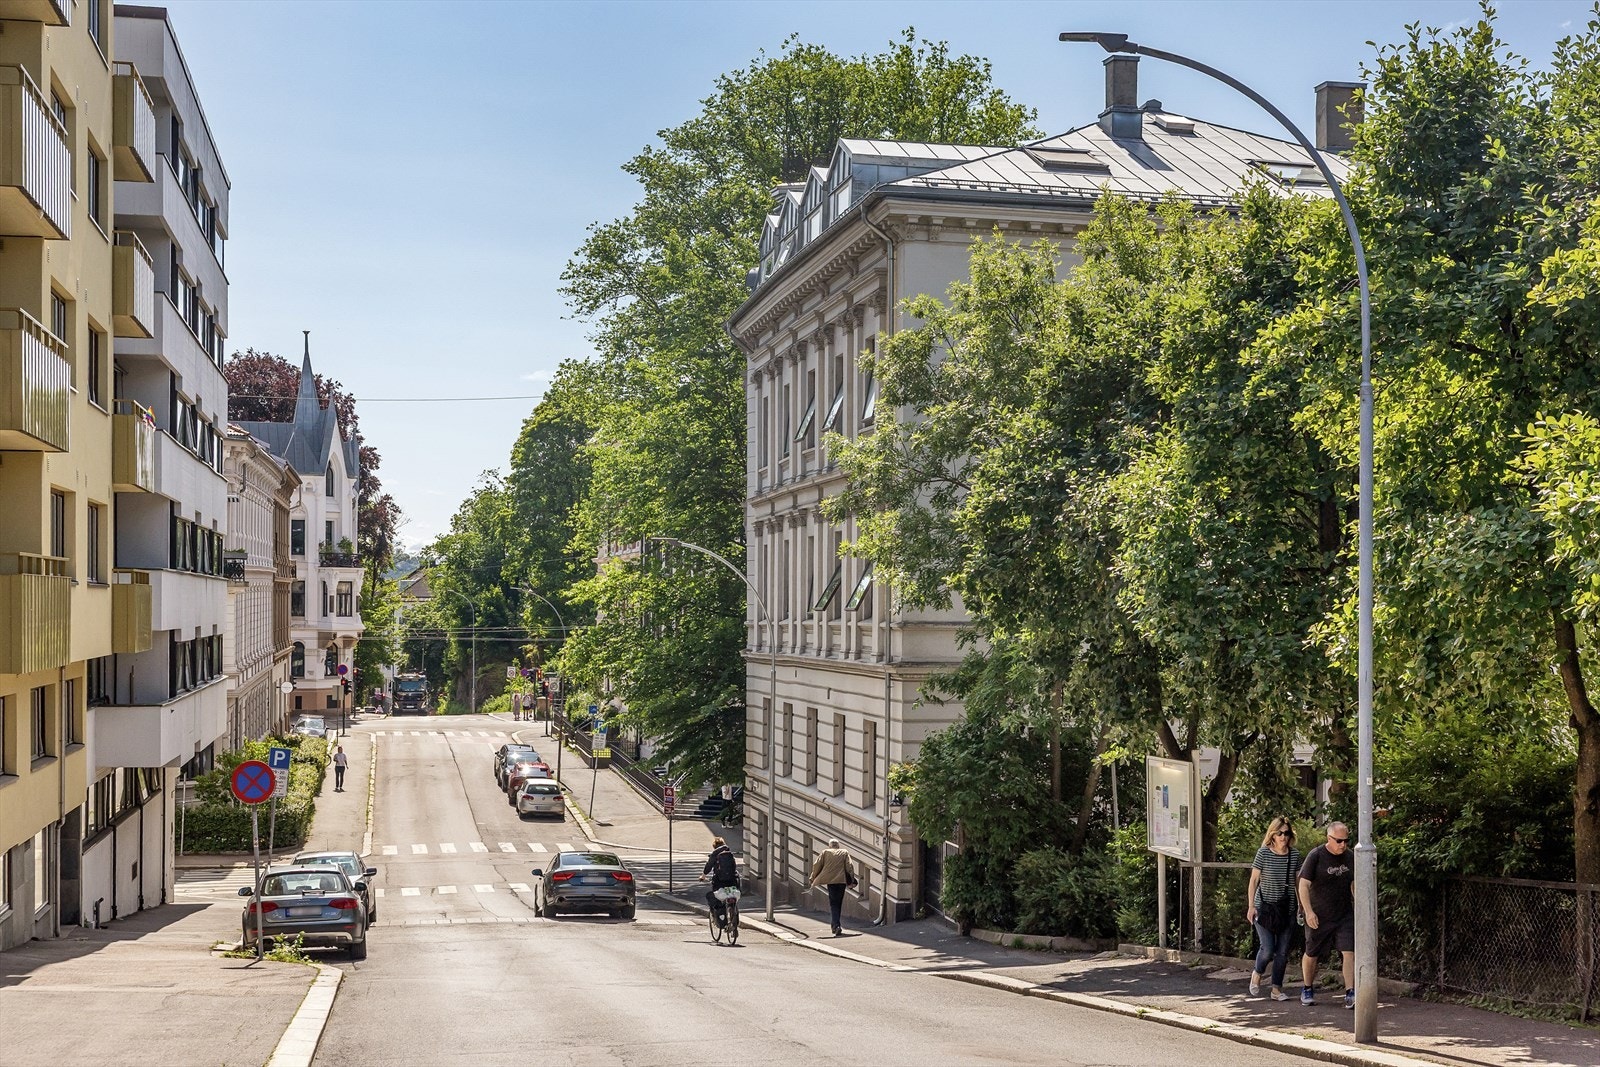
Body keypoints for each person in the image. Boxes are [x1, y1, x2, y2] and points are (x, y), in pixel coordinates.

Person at [1298, 821, 1357, 1008]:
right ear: (1329, 838)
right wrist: (1308, 912)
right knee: (1312, 953)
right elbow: (1303, 885)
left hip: (1344, 914)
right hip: (1319, 914)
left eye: (1346, 841)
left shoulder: (1350, 857)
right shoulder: (1316, 856)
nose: (1343, 845)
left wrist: (1360, 906)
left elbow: (1354, 883)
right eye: (1339, 841)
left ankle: (1350, 991)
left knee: (1349, 952)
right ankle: (1307, 987)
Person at [1246, 816, 1301, 1001]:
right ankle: (1257, 972)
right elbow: (1253, 881)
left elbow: (1298, 882)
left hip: (1287, 908)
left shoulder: (1294, 856)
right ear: (1273, 835)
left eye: (1286, 833)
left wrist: (1301, 906)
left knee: (1282, 951)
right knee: (1268, 949)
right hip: (1265, 908)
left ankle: (1276, 988)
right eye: (1280, 833)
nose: (1283, 837)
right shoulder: (1263, 853)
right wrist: (1251, 906)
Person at [807, 838, 855, 936]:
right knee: (838, 902)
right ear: (838, 846)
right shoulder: (844, 852)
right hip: (841, 881)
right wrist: (852, 879)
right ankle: (836, 925)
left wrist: (812, 877)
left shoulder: (825, 853)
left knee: (833, 903)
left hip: (831, 881)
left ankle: (836, 926)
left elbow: (817, 866)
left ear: (830, 846)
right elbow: (849, 866)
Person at [701, 836, 738, 926]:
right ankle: (734, 913)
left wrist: (703, 876)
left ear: (714, 846)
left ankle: (718, 918)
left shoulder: (715, 854)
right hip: (732, 880)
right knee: (732, 895)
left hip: (719, 881)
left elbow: (709, 866)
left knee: (715, 897)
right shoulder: (730, 853)